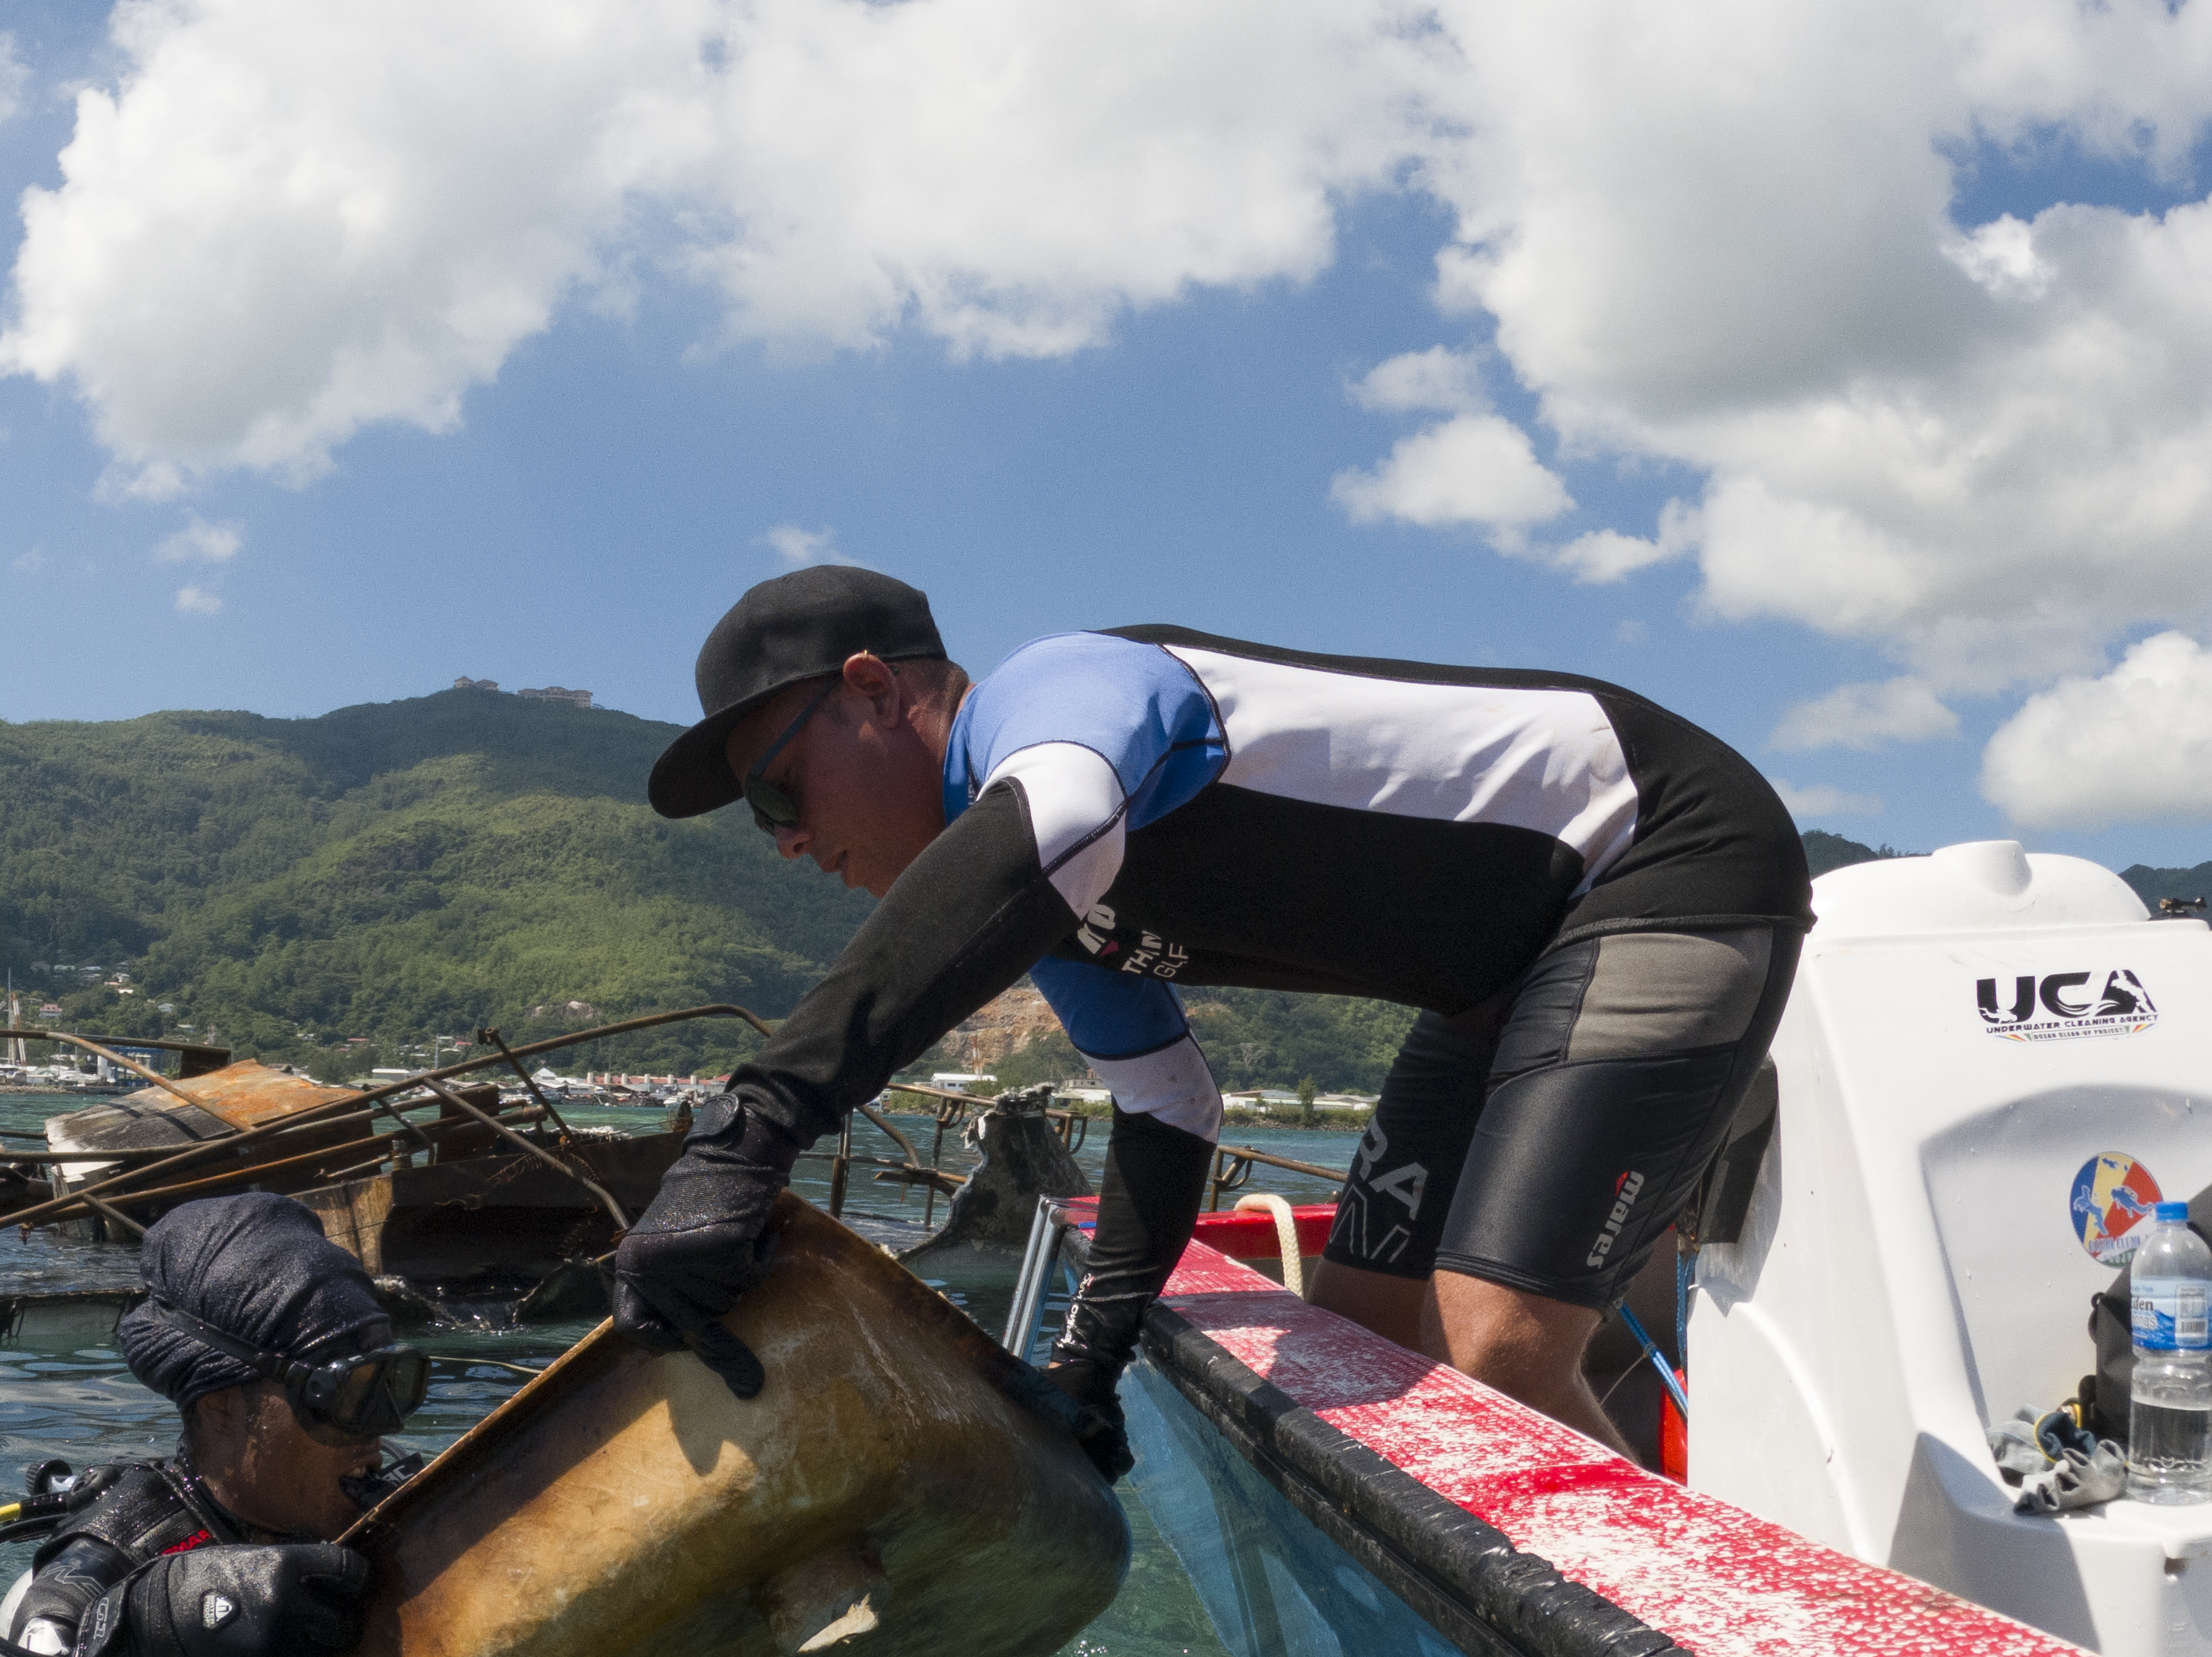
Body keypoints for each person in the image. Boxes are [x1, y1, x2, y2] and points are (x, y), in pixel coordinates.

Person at [610, 564, 1808, 1465]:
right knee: (1359, 1324)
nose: (787, 842)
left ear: (872, 691)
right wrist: (1090, 1365)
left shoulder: (1061, 696)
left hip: (1664, 854)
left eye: (778, 789)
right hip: (1497, 980)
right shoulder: (1063, 899)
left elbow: (1053, 821)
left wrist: (746, 1134)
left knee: (1495, 1346)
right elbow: (1168, 1106)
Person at [0, 1190, 427, 1657]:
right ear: (222, 1406)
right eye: (344, 1392)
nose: (377, 1428)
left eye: (392, 1382)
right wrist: (141, 1641)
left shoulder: (383, 1506)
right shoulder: (87, 1582)